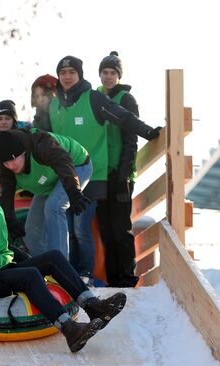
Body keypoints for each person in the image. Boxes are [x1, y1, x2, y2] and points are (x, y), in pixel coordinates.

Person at [0, 158, 127, 353]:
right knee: (31, 275)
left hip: (0, 266)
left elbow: (1, 245)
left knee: (54, 257)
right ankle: (70, 329)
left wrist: (27, 260)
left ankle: (93, 306)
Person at [49, 55, 162, 285]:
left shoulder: (98, 98)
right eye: (63, 73)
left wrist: (149, 133)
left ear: (80, 74)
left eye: (72, 72)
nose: (67, 76)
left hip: (98, 175)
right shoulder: (55, 104)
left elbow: (126, 122)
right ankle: (104, 277)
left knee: (102, 229)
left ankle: (110, 277)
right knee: (94, 230)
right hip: (68, 175)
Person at [0, 128, 92, 260]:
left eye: (13, 159)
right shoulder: (5, 166)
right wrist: (9, 217)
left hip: (75, 167)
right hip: (48, 180)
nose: (10, 166)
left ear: (23, 152)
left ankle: (61, 267)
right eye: (6, 162)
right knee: (31, 233)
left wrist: (74, 192)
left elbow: (63, 163)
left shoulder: (41, 144)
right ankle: (46, 268)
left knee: (54, 207)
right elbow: (6, 191)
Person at [96, 52, 140, 287]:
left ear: (119, 75)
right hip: (100, 174)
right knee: (105, 228)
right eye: (105, 72)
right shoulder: (95, 98)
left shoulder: (126, 99)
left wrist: (124, 172)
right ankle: (112, 278)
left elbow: (131, 139)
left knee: (120, 227)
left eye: (113, 73)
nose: (108, 76)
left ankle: (127, 277)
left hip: (120, 174)